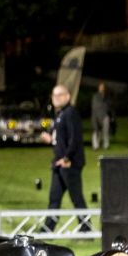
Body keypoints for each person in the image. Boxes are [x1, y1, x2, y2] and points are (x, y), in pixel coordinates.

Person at [41, 84, 87, 232]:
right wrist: (51, 139)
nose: (55, 98)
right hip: (59, 164)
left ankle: (87, 229)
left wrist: (67, 158)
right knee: (54, 198)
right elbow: (61, 139)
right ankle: (47, 229)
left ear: (67, 96)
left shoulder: (70, 112)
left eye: (59, 95)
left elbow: (75, 139)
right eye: (54, 95)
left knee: (76, 198)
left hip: (69, 164)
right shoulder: (60, 114)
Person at [90, 82, 112, 150]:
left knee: (106, 131)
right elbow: (95, 106)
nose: (102, 88)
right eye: (101, 87)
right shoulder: (95, 96)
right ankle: (96, 145)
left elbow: (110, 106)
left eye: (103, 87)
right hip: (96, 115)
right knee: (96, 131)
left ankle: (106, 145)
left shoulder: (107, 96)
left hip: (105, 115)